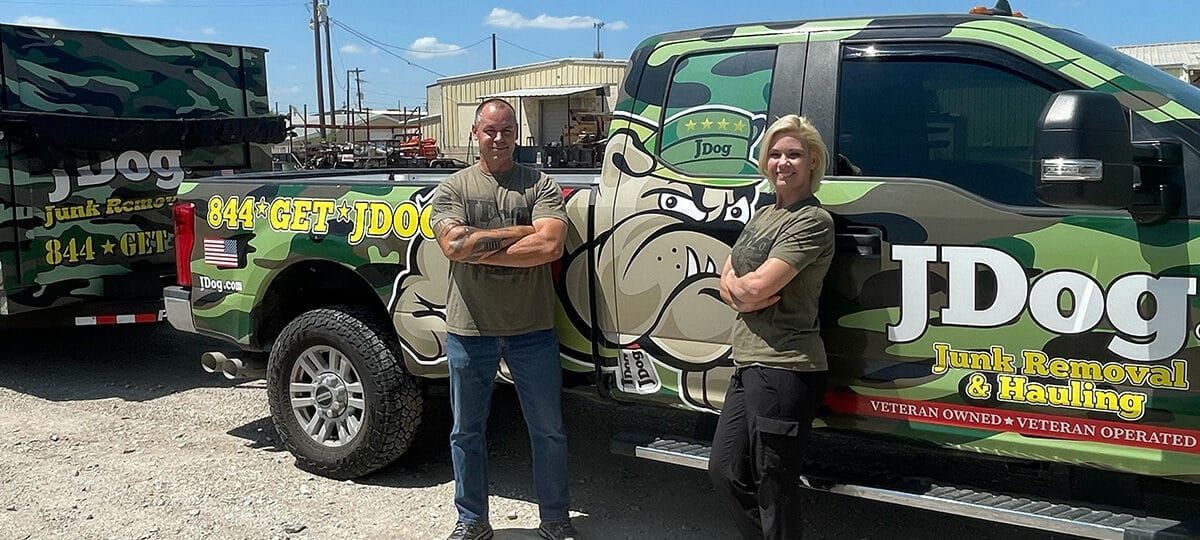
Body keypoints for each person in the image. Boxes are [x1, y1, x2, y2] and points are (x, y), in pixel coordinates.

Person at [430, 98, 577, 540]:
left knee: (548, 431)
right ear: (475, 133)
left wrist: (479, 245)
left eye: (507, 130)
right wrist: (522, 232)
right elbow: (453, 246)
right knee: (466, 432)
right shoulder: (453, 188)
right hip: (470, 329)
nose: (498, 138)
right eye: (490, 130)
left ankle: (555, 520)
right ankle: (472, 521)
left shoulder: (539, 184)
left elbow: (550, 245)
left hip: (532, 329)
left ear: (517, 134)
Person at [708, 114, 835, 540]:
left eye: (794, 154)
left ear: (813, 161)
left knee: (774, 486)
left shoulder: (812, 220)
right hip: (748, 361)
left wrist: (741, 291)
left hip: (786, 365)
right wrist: (740, 292)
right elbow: (729, 278)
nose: (783, 163)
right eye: (775, 154)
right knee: (725, 470)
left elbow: (757, 286)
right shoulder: (764, 213)